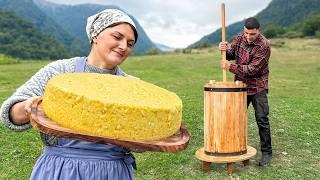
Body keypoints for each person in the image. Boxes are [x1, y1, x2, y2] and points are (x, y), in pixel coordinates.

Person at [0, 8, 139, 179]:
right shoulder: (60, 71)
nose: (124, 46)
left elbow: (139, 136)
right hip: (62, 170)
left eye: (130, 43)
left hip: (113, 172)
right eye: (117, 37)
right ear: (96, 35)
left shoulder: (132, 86)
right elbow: (10, 114)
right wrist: (27, 107)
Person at [219, 17, 272, 166]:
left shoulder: (264, 45)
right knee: (236, 118)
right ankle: (235, 147)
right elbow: (230, 54)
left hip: (257, 86)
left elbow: (252, 70)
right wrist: (223, 49)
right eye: (247, 33)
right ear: (244, 30)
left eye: (252, 34)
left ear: (258, 31)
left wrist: (231, 67)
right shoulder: (240, 37)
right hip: (240, 85)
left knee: (262, 119)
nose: (248, 37)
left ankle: (267, 153)